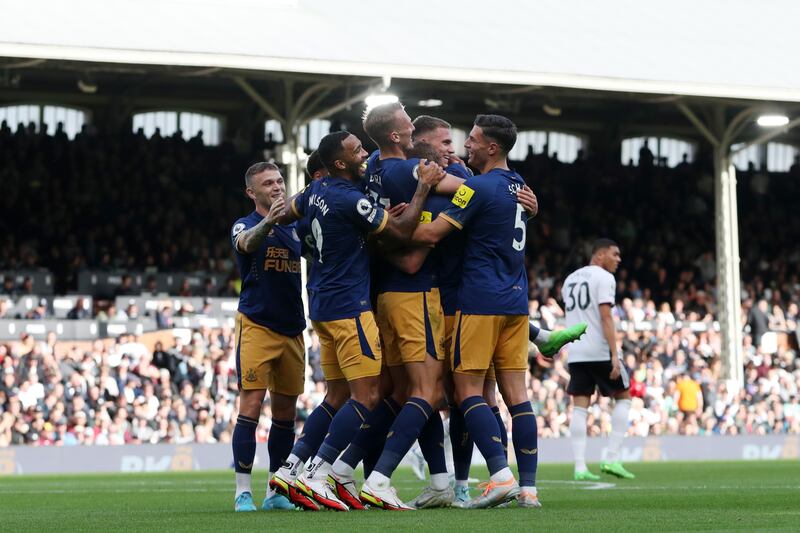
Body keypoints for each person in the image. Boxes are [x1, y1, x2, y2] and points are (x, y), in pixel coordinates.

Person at [409, 114, 586, 509]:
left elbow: (431, 234)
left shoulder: (476, 188)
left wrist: (388, 222)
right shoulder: (519, 186)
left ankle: (500, 476)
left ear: (492, 147)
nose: (465, 145)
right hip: (516, 304)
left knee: (466, 390)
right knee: (518, 398)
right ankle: (530, 491)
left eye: (471, 140)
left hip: (479, 301)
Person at [269, 130, 444, 511]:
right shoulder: (350, 200)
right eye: (357, 151)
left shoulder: (312, 192)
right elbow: (400, 230)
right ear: (338, 164)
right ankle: (319, 472)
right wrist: (421, 191)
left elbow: (287, 211)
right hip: (351, 307)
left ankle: (290, 467)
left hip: (321, 306)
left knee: (336, 396)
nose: (365, 154)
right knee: (366, 395)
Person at [229, 162, 307, 512]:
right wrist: (270, 221)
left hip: (292, 326)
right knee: (250, 406)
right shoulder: (245, 224)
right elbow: (246, 243)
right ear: (252, 192)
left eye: (279, 181)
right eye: (267, 183)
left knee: (285, 414)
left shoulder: (296, 226)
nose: (277, 187)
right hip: (257, 324)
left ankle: (276, 488)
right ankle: (242, 490)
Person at [563, 238, 635, 481]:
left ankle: (580, 467)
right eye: (614, 254)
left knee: (580, 406)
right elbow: (606, 317)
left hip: (576, 352)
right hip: (600, 350)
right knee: (624, 397)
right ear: (600, 254)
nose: (618, 259)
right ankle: (612, 457)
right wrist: (616, 355)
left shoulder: (570, 279)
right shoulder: (604, 278)